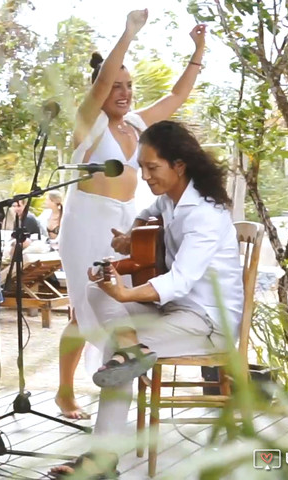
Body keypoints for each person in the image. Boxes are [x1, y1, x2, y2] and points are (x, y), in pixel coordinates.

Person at [49, 120, 243, 478]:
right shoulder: (169, 201)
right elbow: (147, 214)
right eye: (143, 168)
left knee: (116, 357)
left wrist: (125, 293)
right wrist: (130, 235)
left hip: (206, 322)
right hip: (171, 311)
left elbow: (180, 281)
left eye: (153, 168)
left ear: (179, 166)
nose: (145, 176)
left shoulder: (204, 216)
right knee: (95, 289)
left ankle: (101, 460)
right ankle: (129, 347)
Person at [54, 9, 208, 420]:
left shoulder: (136, 125)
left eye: (129, 86)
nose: (123, 92)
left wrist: (199, 52)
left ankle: (116, 388)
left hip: (124, 222)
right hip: (86, 222)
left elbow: (176, 98)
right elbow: (103, 79)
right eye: (115, 86)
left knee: (116, 307)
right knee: (85, 309)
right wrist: (128, 33)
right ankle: (66, 392)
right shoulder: (89, 125)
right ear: (100, 91)